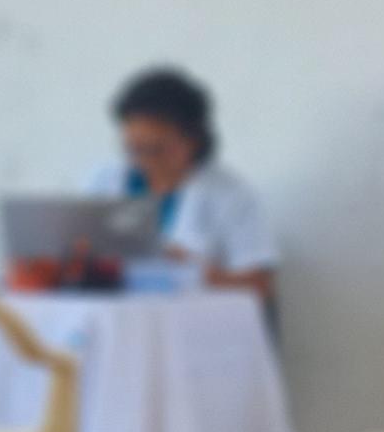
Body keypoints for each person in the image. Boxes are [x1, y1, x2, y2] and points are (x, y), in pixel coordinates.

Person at [87, 66, 275, 300]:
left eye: (156, 149)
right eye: (134, 148)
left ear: (193, 140)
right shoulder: (105, 181)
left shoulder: (231, 194)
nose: (144, 159)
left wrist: (190, 271)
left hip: (199, 325)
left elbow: (259, 286)